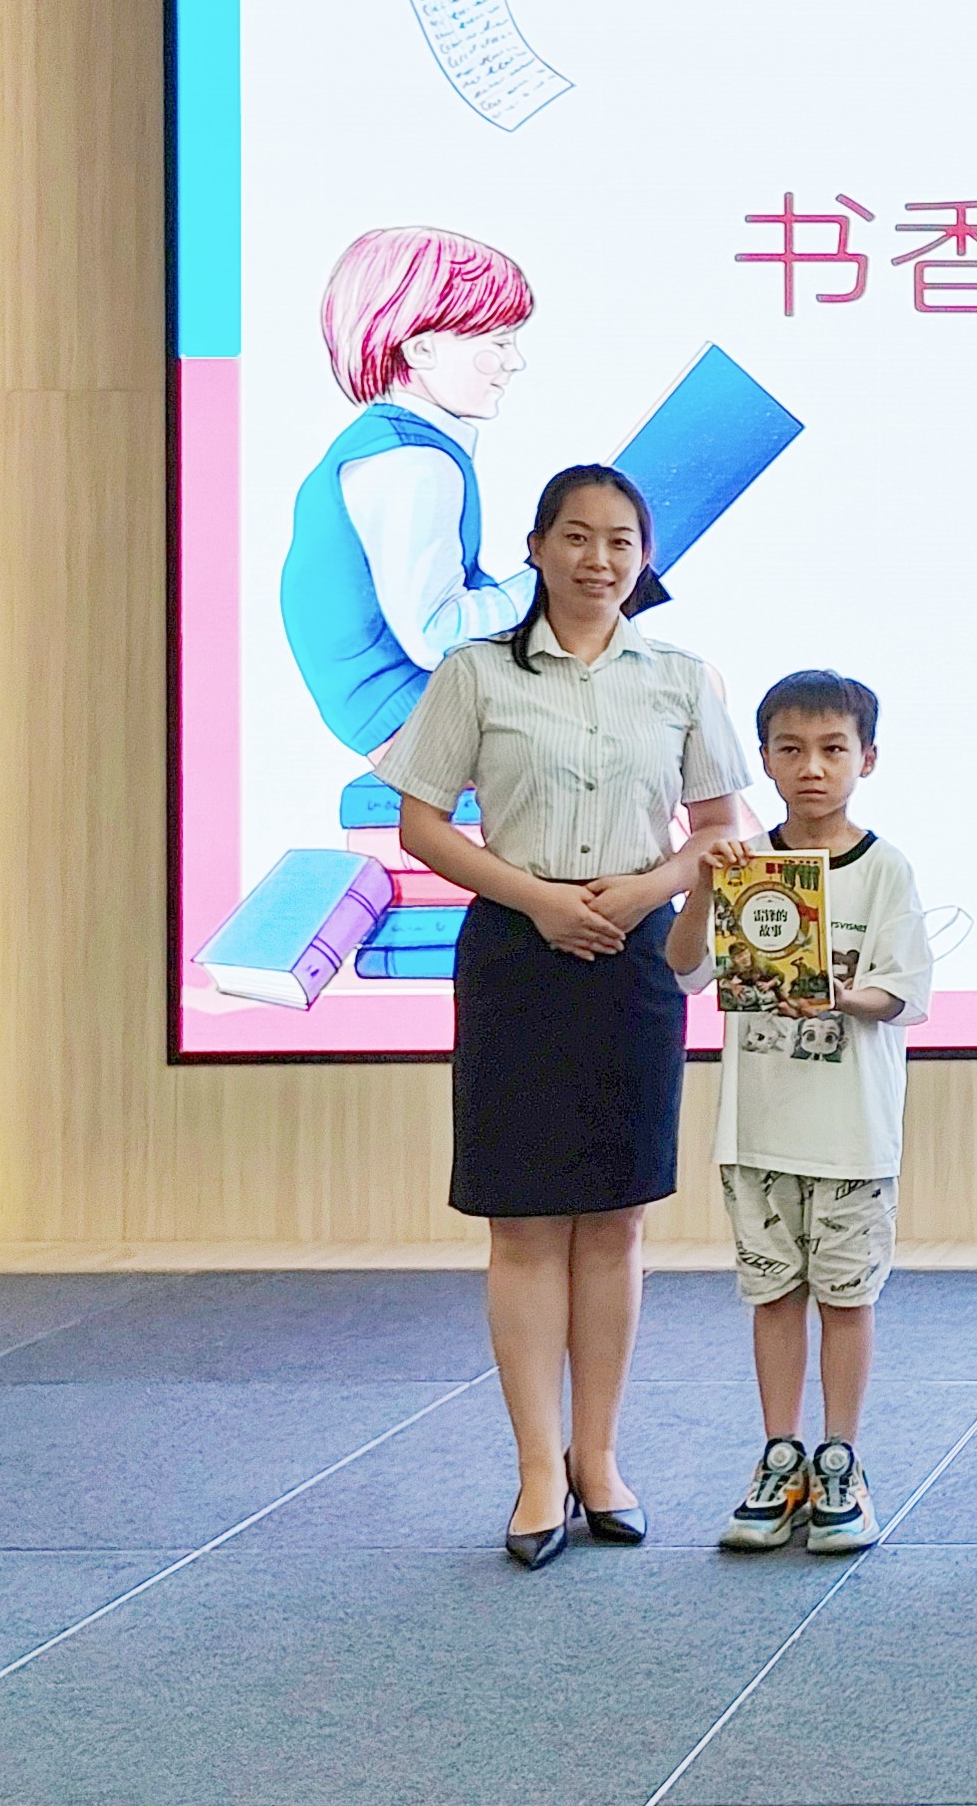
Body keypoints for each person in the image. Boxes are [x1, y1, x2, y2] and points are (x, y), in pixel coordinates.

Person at [374, 463, 752, 1568]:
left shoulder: (680, 677)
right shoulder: (476, 672)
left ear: (644, 559)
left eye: (621, 541)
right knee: (527, 1222)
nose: (599, 559)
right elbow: (420, 825)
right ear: (536, 549)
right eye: (577, 537)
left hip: (633, 956)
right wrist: (538, 899)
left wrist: (643, 891)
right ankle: (539, 1469)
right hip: (516, 950)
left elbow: (721, 828)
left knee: (618, 1218)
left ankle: (601, 1458)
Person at [667, 669, 933, 1557]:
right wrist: (702, 886)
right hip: (758, 1131)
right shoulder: (743, 865)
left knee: (847, 1301)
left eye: (832, 749)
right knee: (772, 1296)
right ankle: (778, 1456)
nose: (812, 768)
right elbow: (683, 969)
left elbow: (904, 994)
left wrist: (835, 993)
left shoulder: (884, 868)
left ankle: (841, 1459)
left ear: (867, 758)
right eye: (791, 749)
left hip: (853, 1135)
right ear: (766, 760)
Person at [280, 226, 536, 755]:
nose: (514, 361)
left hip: (404, 704)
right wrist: (551, 584)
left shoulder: (398, 447)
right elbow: (434, 634)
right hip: (406, 712)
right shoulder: (412, 464)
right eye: (497, 343)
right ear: (421, 348)